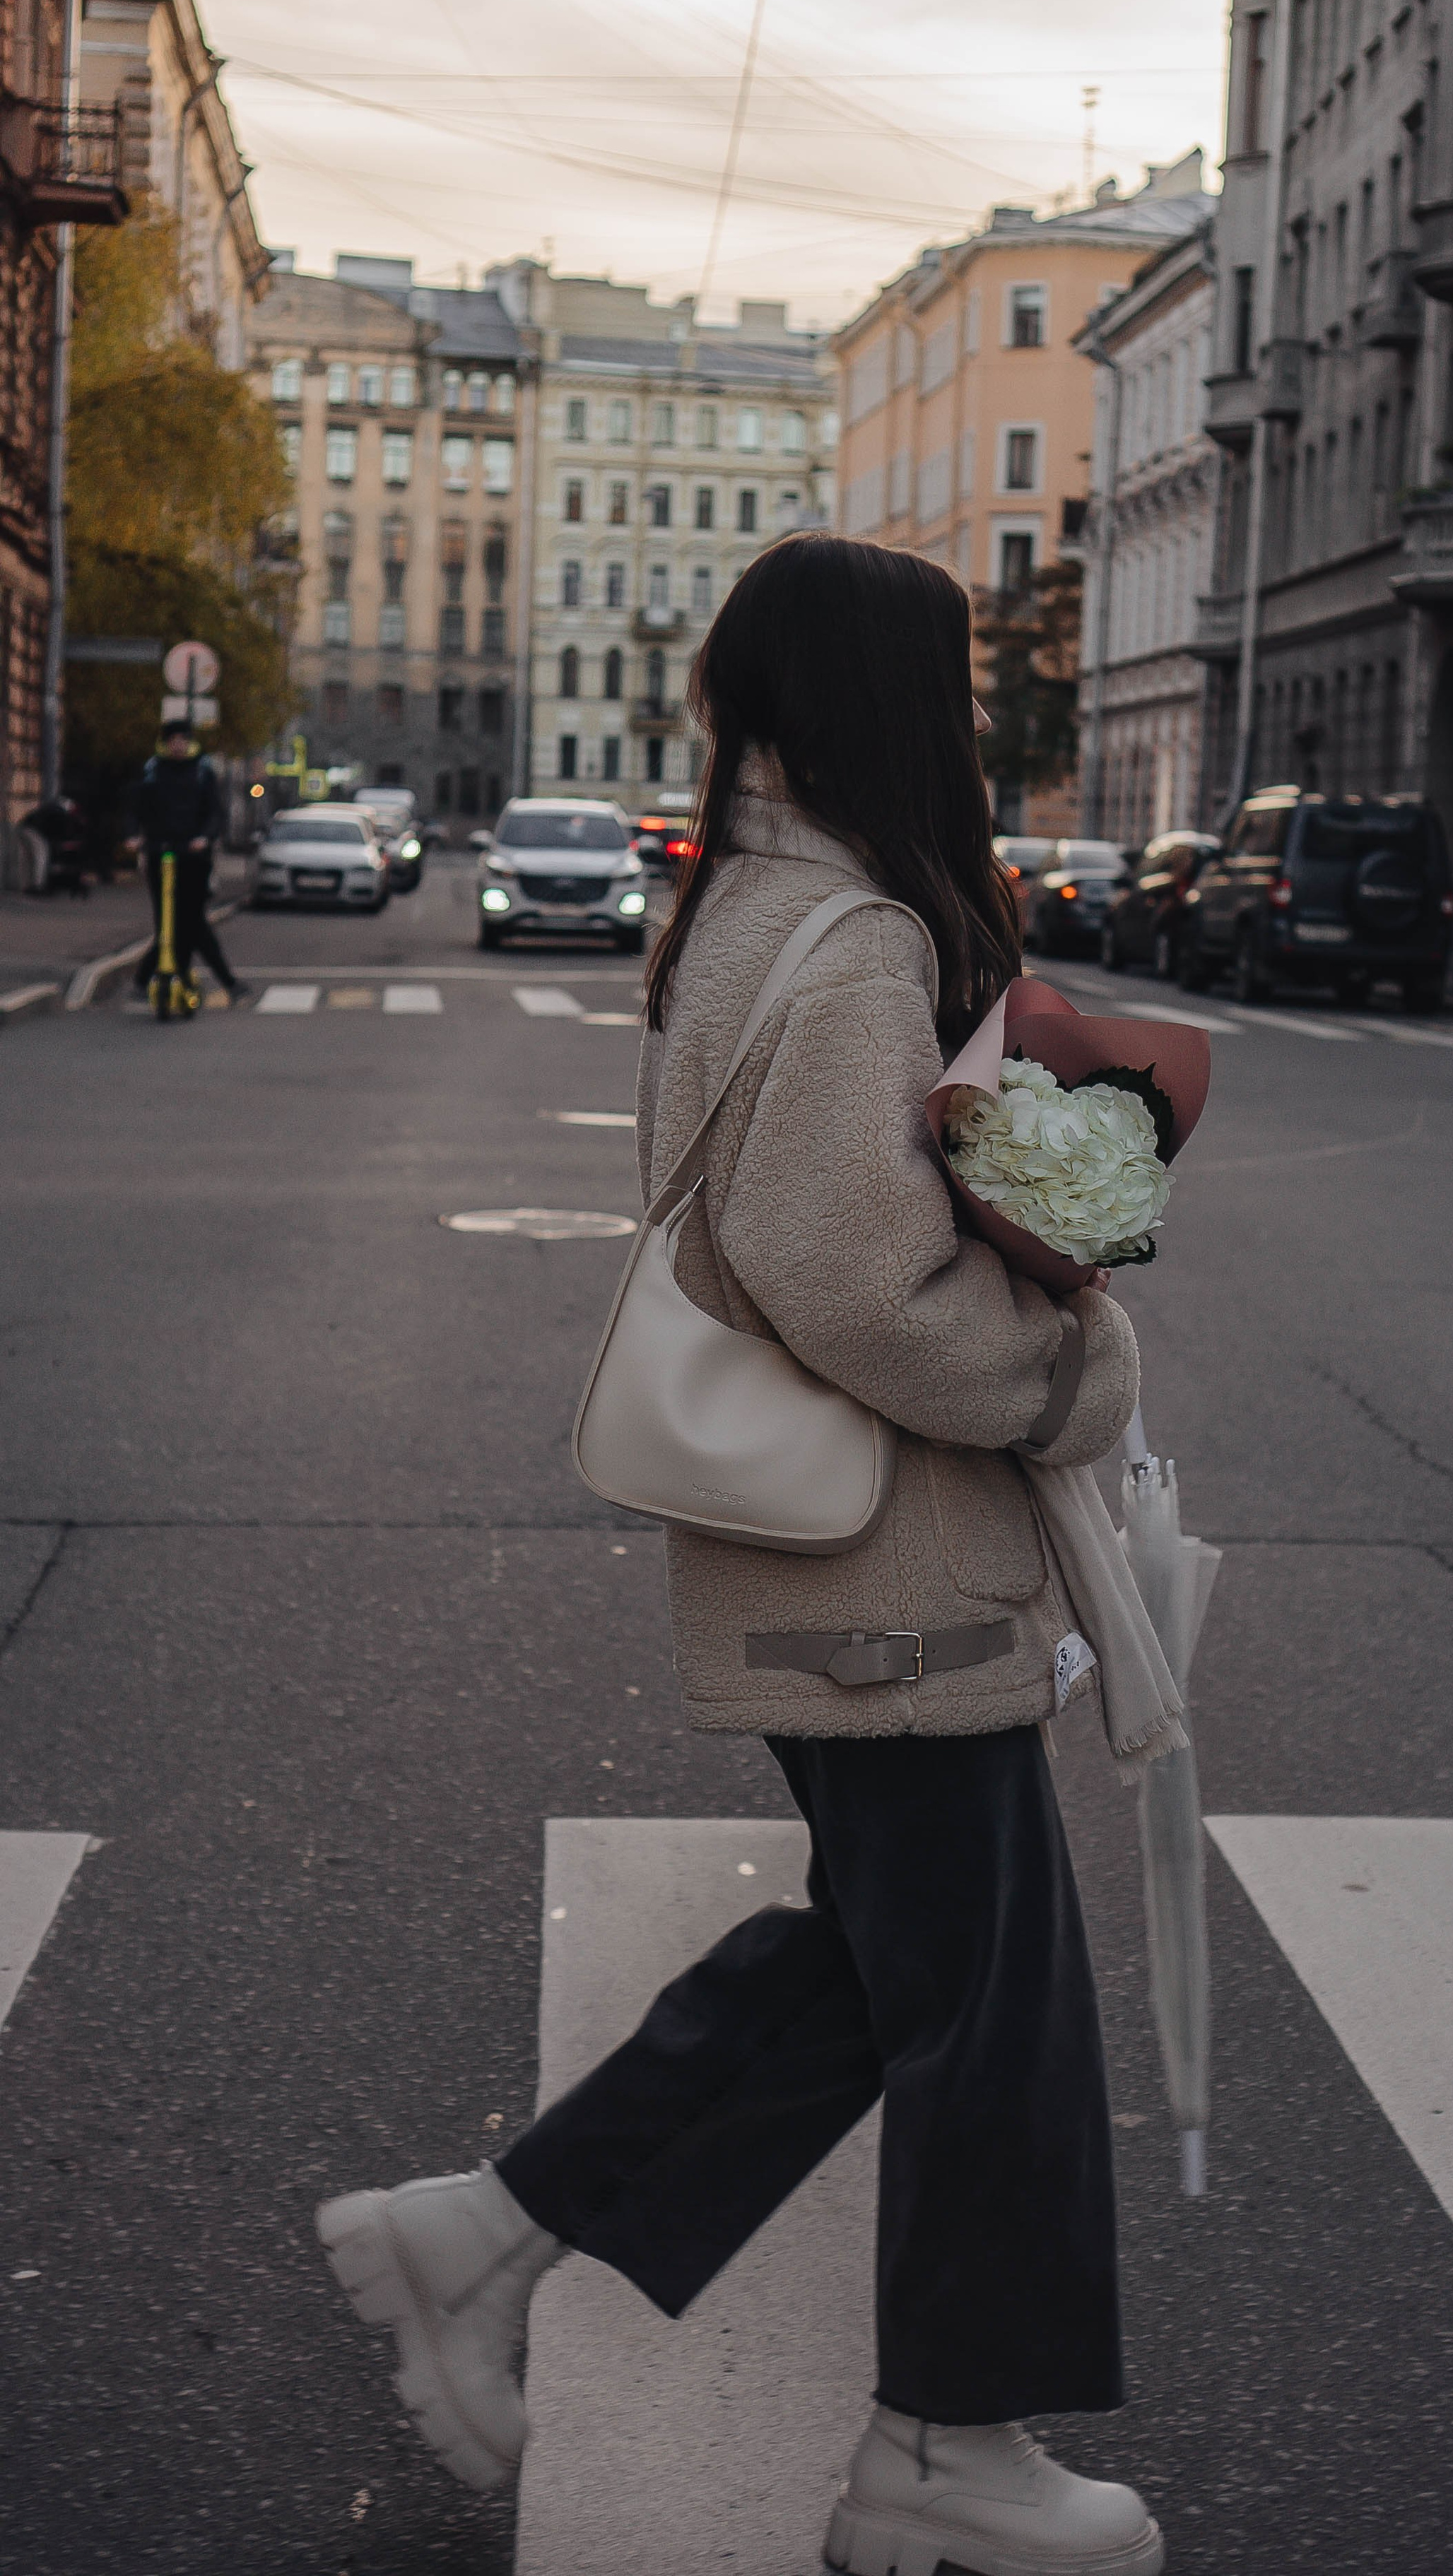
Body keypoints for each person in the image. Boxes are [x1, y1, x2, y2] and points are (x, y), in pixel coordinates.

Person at [316, 534, 1165, 2574]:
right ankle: (947, 2455)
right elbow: (850, 1287)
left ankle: (490, 2237)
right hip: (883, 1575)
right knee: (994, 2011)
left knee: (892, 1980)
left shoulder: (745, 914)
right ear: (900, 703)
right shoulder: (855, 935)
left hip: (843, 1572)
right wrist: (1071, 1370)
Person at [129, 723, 245, 1000]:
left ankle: (150, 979)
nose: (178, 745)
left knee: (189, 921)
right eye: (173, 740)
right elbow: (136, 807)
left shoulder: (202, 771)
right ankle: (210, 980)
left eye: (182, 740)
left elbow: (214, 812)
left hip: (194, 858)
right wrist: (134, 836)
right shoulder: (153, 771)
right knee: (167, 922)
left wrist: (205, 837)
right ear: (165, 743)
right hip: (161, 853)